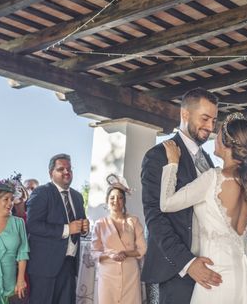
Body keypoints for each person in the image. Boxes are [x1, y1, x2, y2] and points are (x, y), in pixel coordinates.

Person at [158, 112, 247, 303]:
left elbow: (166, 204)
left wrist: (172, 163)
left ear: (226, 143)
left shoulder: (214, 178)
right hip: (244, 268)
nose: (214, 138)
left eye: (219, 135)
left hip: (216, 272)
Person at [141, 88, 221, 303]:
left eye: (214, 120)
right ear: (185, 114)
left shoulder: (209, 162)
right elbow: (154, 216)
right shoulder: (158, 156)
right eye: (205, 118)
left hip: (206, 265)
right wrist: (187, 263)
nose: (210, 127)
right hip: (172, 270)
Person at [26, 153, 89, 304]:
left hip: (69, 265)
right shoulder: (41, 192)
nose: (67, 172)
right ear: (51, 173)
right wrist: (67, 229)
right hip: (45, 267)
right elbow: (32, 225)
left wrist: (84, 228)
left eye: (69, 169)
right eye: (61, 169)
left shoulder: (77, 197)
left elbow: (79, 224)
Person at [92, 175, 146, 304]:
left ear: (124, 201)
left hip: (130, 275)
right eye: (112, 197)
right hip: (108, 275)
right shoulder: (100, 224)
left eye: (120, 198)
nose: (116, 200)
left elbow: (142, 249)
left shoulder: (133, 221)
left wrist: (126, 253)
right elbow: (94, 252)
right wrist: (110, 255)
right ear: (107, 200)